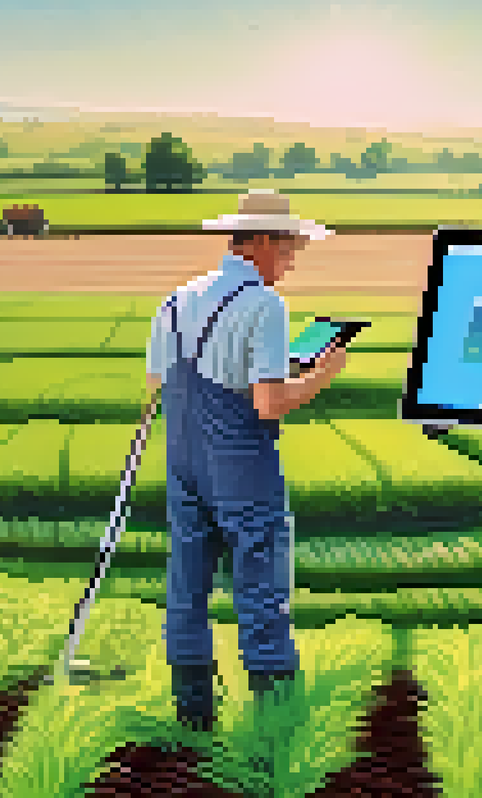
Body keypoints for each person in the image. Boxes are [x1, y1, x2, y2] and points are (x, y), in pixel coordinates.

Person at [144, 189, 349, 733]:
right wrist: (322, 376)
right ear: (260, 241)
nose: (292, 259)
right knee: (261, 589)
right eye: (289, 247)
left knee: (186, 587)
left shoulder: (175, 299)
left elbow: (155, 386)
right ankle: (277, 731)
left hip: (184, 463)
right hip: (241, 465)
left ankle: (193, 722)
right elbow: (268, 403)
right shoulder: (264, 304)